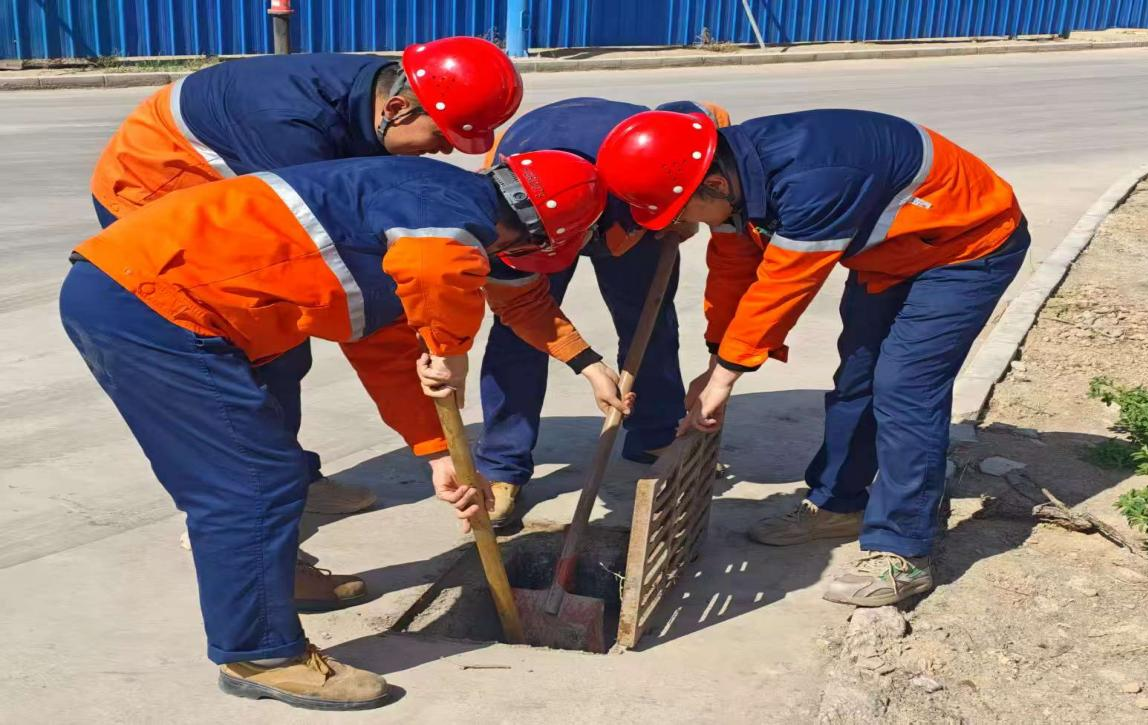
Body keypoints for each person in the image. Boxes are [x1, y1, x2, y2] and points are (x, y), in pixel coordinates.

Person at [61, 150, 619, 709]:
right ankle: (260, 655)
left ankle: (275, 581)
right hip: (151, 306)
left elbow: (385, 349)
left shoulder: (411, 212)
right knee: (252, 482)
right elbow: (435, 270)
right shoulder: (442, 219)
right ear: (528, 235)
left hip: (147, 294)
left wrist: (437, 453)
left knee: (265, 470)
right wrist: (451, 349)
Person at [597, 109, 1029, 607]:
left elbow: (784, 287)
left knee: (905, 389)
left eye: (684, 212)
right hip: (892, 254)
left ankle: (903, 550)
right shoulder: (736, 177)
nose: (684, 224)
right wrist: (716, 359)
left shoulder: (814, 182)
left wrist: (726, 378)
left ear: (714, 185)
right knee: (858, 380)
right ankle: (838, 504)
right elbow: (735, 268)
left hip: (965, 247)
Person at [89, 37, 523, 520]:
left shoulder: (379, 92)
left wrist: (432, 442)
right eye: (442, 136)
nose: (443, 152)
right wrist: (435, 407)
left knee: (286, 350)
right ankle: (245, 507)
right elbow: (357, 297)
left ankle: (286, 481)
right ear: (397, 109)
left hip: (225, 188)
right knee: (249, 357)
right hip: (152, 195)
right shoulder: (290, 129)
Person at [472, 97, 730, 526]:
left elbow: (705, 119)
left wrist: (681, 204)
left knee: (648, 321)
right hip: (537, 211)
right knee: (518, 334)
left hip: (621, 201)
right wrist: (589, 365)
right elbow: (519, 306)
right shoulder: (500, 218)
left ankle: (655, 431)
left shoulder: (644, 161)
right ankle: (501, 464)